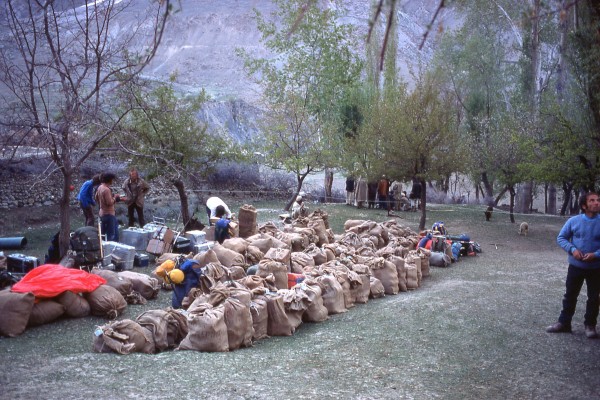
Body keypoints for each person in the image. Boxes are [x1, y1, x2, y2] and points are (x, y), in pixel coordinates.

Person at [547, 192, 600, 338]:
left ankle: (590, 325)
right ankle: (564, 323)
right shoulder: (574, 221)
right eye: (592, 200)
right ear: (584, 205)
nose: (597, 203)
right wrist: (572, 249)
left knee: (594, 297)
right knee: (570, 295)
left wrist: (596, 255)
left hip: (596, 268)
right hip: (576, 267)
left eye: (598, 200)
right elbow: (561, 238)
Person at [95, 172, 120, 242]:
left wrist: (101, 203)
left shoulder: (100, 187)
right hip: (109, 213)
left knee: (103, 232)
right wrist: (115, 198)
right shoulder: (106, 190)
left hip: (102, 212)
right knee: (112, 234)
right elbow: (109, 202)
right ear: (109, 180)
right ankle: (111, 248)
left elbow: (96, 197)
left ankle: (102, 246)